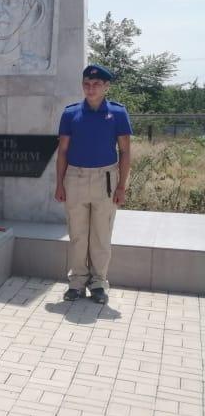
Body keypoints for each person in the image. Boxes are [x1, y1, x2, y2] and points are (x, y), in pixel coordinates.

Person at [55, 64, 132, 305]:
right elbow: (63, 151)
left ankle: (98, 283)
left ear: (106, 87)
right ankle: (77, 282)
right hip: (75, 178)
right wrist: (59, 183)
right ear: (82, 86)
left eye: (97, 84)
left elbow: (126, 151)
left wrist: (122, 186)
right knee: (78, 235)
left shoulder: (118, 113)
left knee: (101, 235)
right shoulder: (71, 113)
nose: (91, 88)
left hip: (105, 179)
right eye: (87, 84)